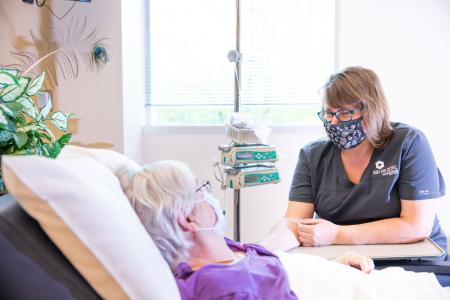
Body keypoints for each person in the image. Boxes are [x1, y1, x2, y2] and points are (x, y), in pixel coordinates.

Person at [116, 160, 377, 300]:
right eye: (201, 189)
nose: (209, 195)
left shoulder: (227, 250)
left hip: (350, 279)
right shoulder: (223, 286)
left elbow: (281, 260)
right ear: (188, 219)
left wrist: (333, 268)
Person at [262, 66, 447, 258]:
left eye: (344, 113)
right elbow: (295, 222)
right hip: (345, 256)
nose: (333, 122)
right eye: (328, 113)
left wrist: (337, 234)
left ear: (371, 111)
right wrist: (261, 249)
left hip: (413, 259)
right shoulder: (313, 155)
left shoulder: (409, 143)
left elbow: (416, 227)